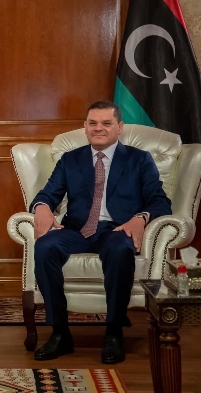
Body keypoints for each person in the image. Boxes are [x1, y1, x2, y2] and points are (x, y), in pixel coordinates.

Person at [29, 100, 171, 364]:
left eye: (106, 123)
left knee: (120, 250)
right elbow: (47, 194)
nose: (99, 128)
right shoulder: (70, 159)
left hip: (116, 229)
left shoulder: (139, 159)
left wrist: (141, 218)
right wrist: (42, 207)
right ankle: (60, 333)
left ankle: (114, 332)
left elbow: (160, 202)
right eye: (93, 123)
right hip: (77, 229)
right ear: (85, 127)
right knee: (45, 247)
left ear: (119, 127)